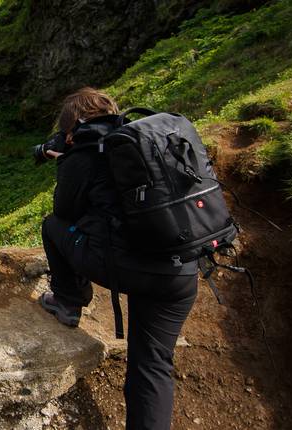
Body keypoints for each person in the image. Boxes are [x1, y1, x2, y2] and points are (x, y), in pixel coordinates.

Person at [37, 87, 198, 430]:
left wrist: (65, 161)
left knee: (51, 226)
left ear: (70, 132)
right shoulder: (142, 142)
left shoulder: (82, 155)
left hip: (130, 266)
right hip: (181, 269)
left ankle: (68, 301)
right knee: (152, 367)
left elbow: (63, 211)